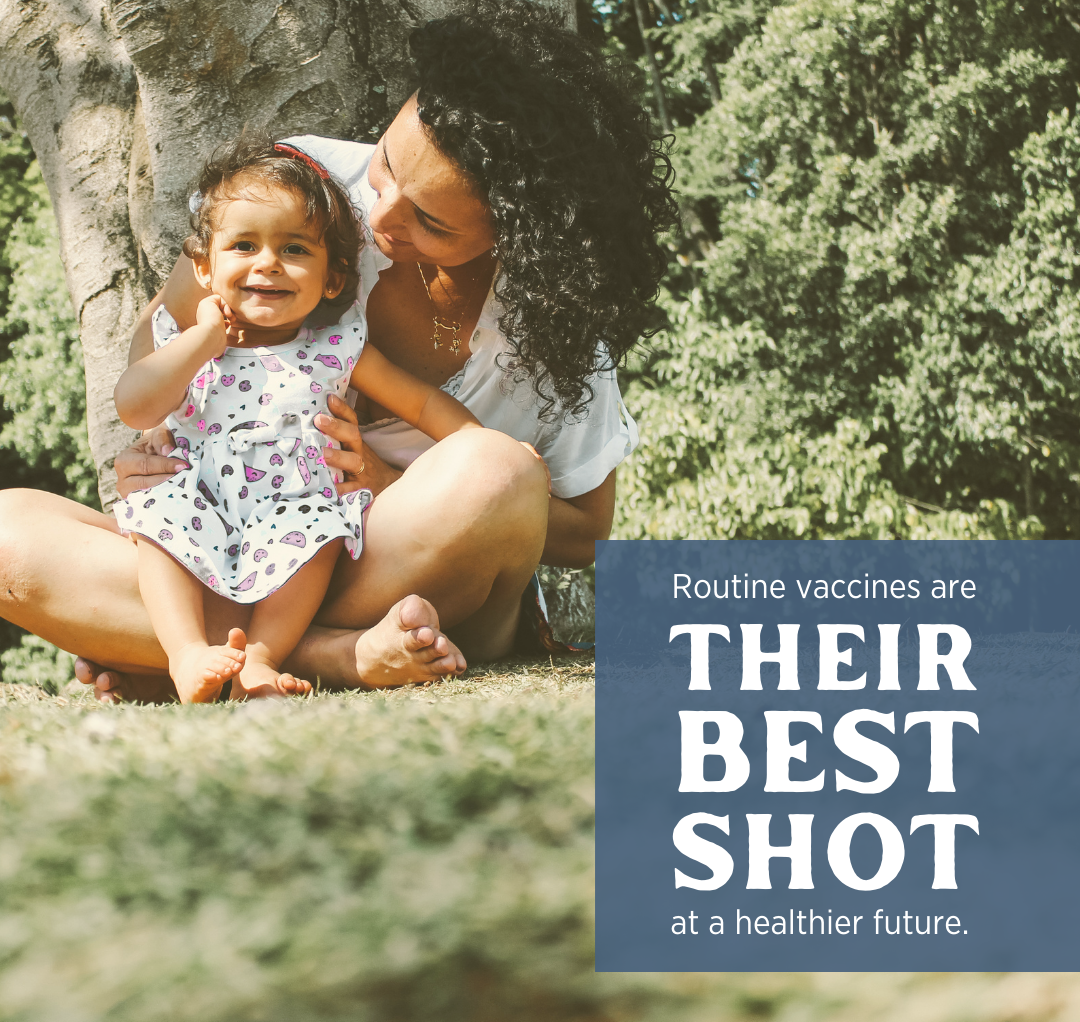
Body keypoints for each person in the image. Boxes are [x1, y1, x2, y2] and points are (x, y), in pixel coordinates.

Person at [0, 2, 678, 702]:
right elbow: (161, 327)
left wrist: (389, 484)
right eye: (388, 164)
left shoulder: (556, 334)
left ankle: (177, 648)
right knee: (7, 536)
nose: (378, 216)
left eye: (431, 221)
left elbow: (585, 532)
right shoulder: (303, 189)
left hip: (393, 565)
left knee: (497, 472)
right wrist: (158, 438)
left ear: (518, 235)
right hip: (224, 534)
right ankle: (323, 656)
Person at [114, 136, 480, 701]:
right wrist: (204, 338)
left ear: (332, 279)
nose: (267, 263)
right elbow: (135, 405)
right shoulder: (187, 342)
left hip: (293, 507)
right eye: (243, 245)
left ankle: (261, 657)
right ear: (205, 268)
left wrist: (474, 446)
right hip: (198, 500)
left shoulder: (336, 347)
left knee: (320, 529)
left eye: (295, 250)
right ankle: (185, 653)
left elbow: (424, 402)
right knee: (158, 519)